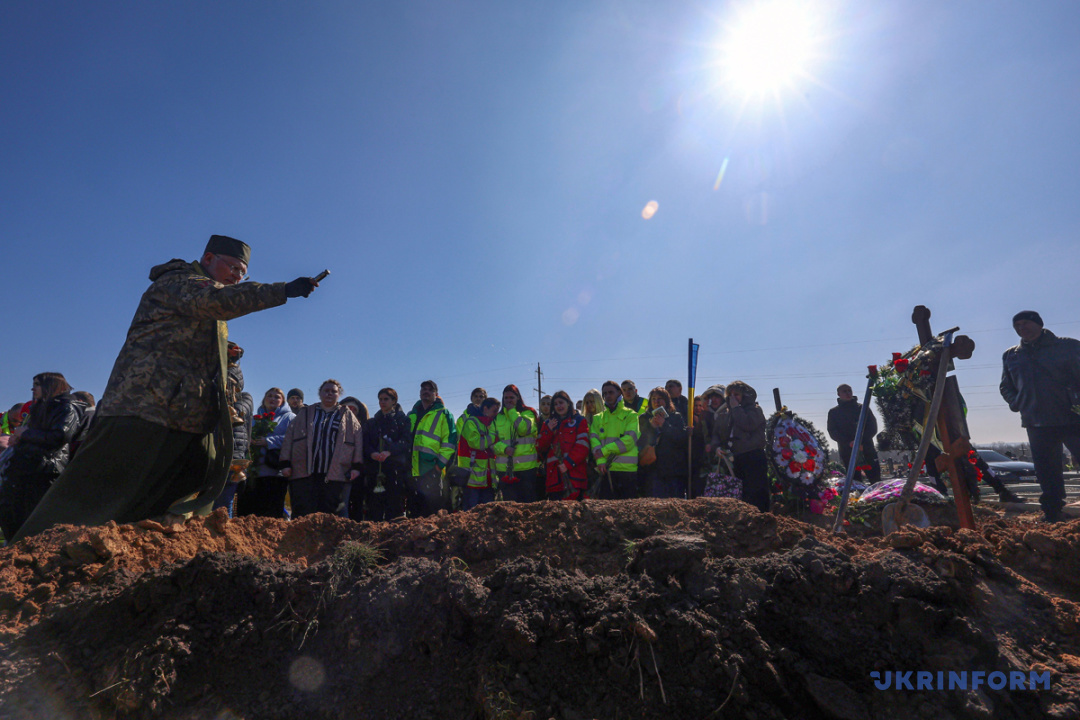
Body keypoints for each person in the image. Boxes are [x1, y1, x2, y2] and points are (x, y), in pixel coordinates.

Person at [12, 235, 319, 542]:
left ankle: (153, 552)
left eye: (243, 273)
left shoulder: (203, 294)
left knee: (191, 485)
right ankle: (35, 554)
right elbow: (219, 301)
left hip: (184, 415)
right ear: (209, 258)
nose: (238, 276)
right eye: (234, 268)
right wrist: (282, 290)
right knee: (95, 495)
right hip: (143, 409)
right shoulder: (179, 282)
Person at [1000, 310, 1080, 523]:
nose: (1021, 328)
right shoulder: (1012, 355)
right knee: (1047, 470)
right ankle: (1053, 513)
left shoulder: (1068, 346)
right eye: (1017, 325)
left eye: (1025, 323)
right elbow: (1006, 386)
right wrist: (1018, 402)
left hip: (1072, 417)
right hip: (1036, 420)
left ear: (1039, 324)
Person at [0, 373, 85, 540]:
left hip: (45, 469)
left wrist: (25, 434)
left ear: (50, 386)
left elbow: (59, 436)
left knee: (33, 518)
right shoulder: (39, 408)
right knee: (10, 511)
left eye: (37, 385)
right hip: (25, 468)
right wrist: (20, 437)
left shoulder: (66, 408)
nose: (33, 389)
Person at [280, 379, 363, 518]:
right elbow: (289, 437)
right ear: (320, 393)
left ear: (339, 394)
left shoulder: (346, 415)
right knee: (303, 512)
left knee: (330, 515)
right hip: (305, 472)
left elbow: (357, 441)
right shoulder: (306, 413)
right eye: (326, 391)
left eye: (333, 391)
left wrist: (356, 466)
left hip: (334, 473)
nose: (329, 394)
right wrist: (285, 463)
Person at [237, 387, 294, 518]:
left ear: (283, 401)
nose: (272, 398)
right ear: (264, 400)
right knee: (247, 514)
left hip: (274, 473)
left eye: (277, 397)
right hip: (252, 473)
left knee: (270, 515)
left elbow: (292, 439)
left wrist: (268, 441)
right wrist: (249, 439)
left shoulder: (290, 418)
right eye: (269, 396)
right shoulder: (254, 419)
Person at [713, 381, 769, 512]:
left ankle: (761, 518)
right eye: (730, 395)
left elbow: (748, 424)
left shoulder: (755, 410)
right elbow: (718, 433)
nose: (733, 398)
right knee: (741, 495)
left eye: (736, 394)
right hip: (736, 457)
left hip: (753, 456)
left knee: (756, 493)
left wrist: (736, 409)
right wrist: (717, 447)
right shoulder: (726, 413)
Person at [213, 342, 254, 517]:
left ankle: (222, 532)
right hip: (211, 456)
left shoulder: (244, 399)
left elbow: (238, 411)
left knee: (222, 506)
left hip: (231, 457)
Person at [407, 380, 457, 517]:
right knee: (414, 512)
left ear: (436, 394)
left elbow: (449, 443)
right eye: (423, 389)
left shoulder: (444, 414)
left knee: (432, 512)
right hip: (412, 469)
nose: (426, 392)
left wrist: (439, 466)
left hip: (431, 469)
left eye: (430, 390)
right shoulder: (411, 414)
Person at [364, 387, 411, 521]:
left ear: (394, 401)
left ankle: (395, 532)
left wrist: (390, 452)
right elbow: (365, 443)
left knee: (394, 505)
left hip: (395, 469)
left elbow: (406, 441)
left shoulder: (403, 420)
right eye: (380, 399)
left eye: (386, 399)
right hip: (375, 470)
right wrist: (372, 453)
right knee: (374, 506)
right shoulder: (372, 422)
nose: (382, 402)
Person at [591, 380, 640, 499]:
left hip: (627, 471)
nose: (607, 396)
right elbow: (594, 440)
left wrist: (604, 451)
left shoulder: (631, 415)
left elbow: (629, 440)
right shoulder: (597, 418)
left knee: (628, 509)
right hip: (606, 470)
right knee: (606, 509)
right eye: (605, 393)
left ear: (619, 393)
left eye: (611, 392)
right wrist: (600, 461)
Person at [537, 390, 590, 500]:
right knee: (556, 510)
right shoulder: (548, 423)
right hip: (554, 479)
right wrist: (548, 431)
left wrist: (568, 463)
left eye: (561, 402)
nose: (558, 406)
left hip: (574, 477)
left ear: (568, 403)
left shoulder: (579, 421)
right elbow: (541, 447)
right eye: (555, 404)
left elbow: (583, 446)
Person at [492, 385, 541, 503]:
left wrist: (512, 411)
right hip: (505, 470)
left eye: (512, 397)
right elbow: (491, 442)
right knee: (510, 506)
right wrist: (504, 449)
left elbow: (523, 430)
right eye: (506, 398)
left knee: (528, 505)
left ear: (518, 398)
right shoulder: (498, 417)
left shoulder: (528, 413)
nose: (509, 400)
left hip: (527, 469)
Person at [639, 387, 689, 499]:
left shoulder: (675, 416)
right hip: (652, 468)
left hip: (673, 468)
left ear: (666, 401)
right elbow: (640, 441)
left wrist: (664, 425)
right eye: (653, 399)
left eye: (660, 398)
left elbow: (681, 438)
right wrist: (651, 428)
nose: (656, 402)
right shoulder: (644, 418)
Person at [827, 384, 882, 484]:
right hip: (848, 451)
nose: (848, 393)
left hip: (866, 449)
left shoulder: (863, 408)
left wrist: (861, 442)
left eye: (849, 390)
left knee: (875, 479)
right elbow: (833, 431)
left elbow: (872, 427)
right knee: (855, 482)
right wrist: (849, 442)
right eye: (844, 391)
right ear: (838, 394)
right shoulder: (834, 412)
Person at [459, 397, 500, 510]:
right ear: (485, 408)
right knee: (471, 512)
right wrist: (493, 437)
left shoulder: (490, 424)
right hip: (472, 479)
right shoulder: (471, 422)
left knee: (487, 513)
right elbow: (477, 443)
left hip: (487, 479)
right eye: (494, 411)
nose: (496, 414)